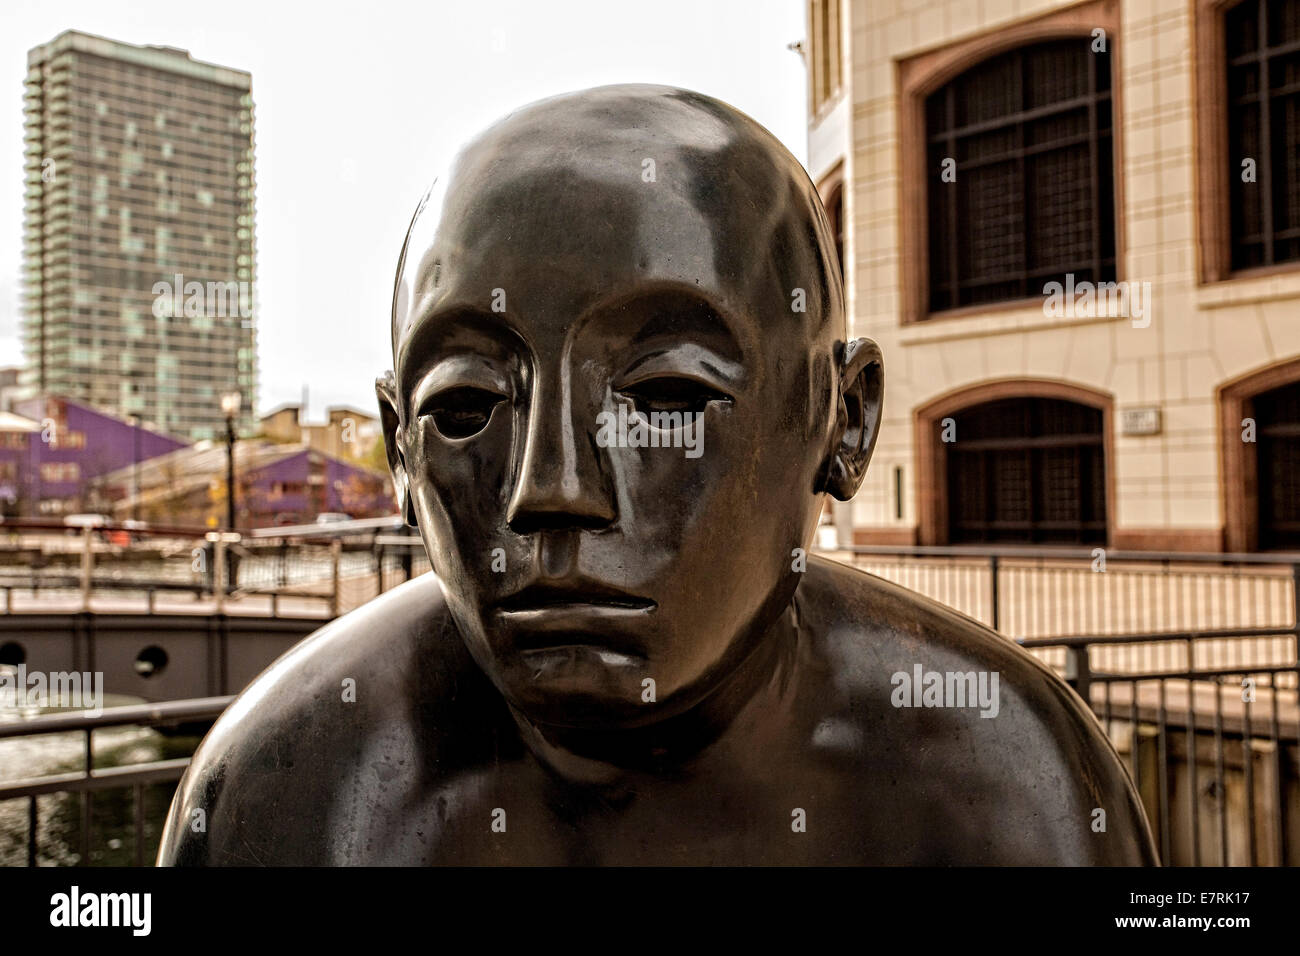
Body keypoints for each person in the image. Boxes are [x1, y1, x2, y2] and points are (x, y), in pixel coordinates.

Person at [158, 85, 1157, 865]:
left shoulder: (1007, 785)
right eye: (467, 408)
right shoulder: (289, 792)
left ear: (840, 422)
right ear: (397, 445)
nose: (549, 489)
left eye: (667, 397)